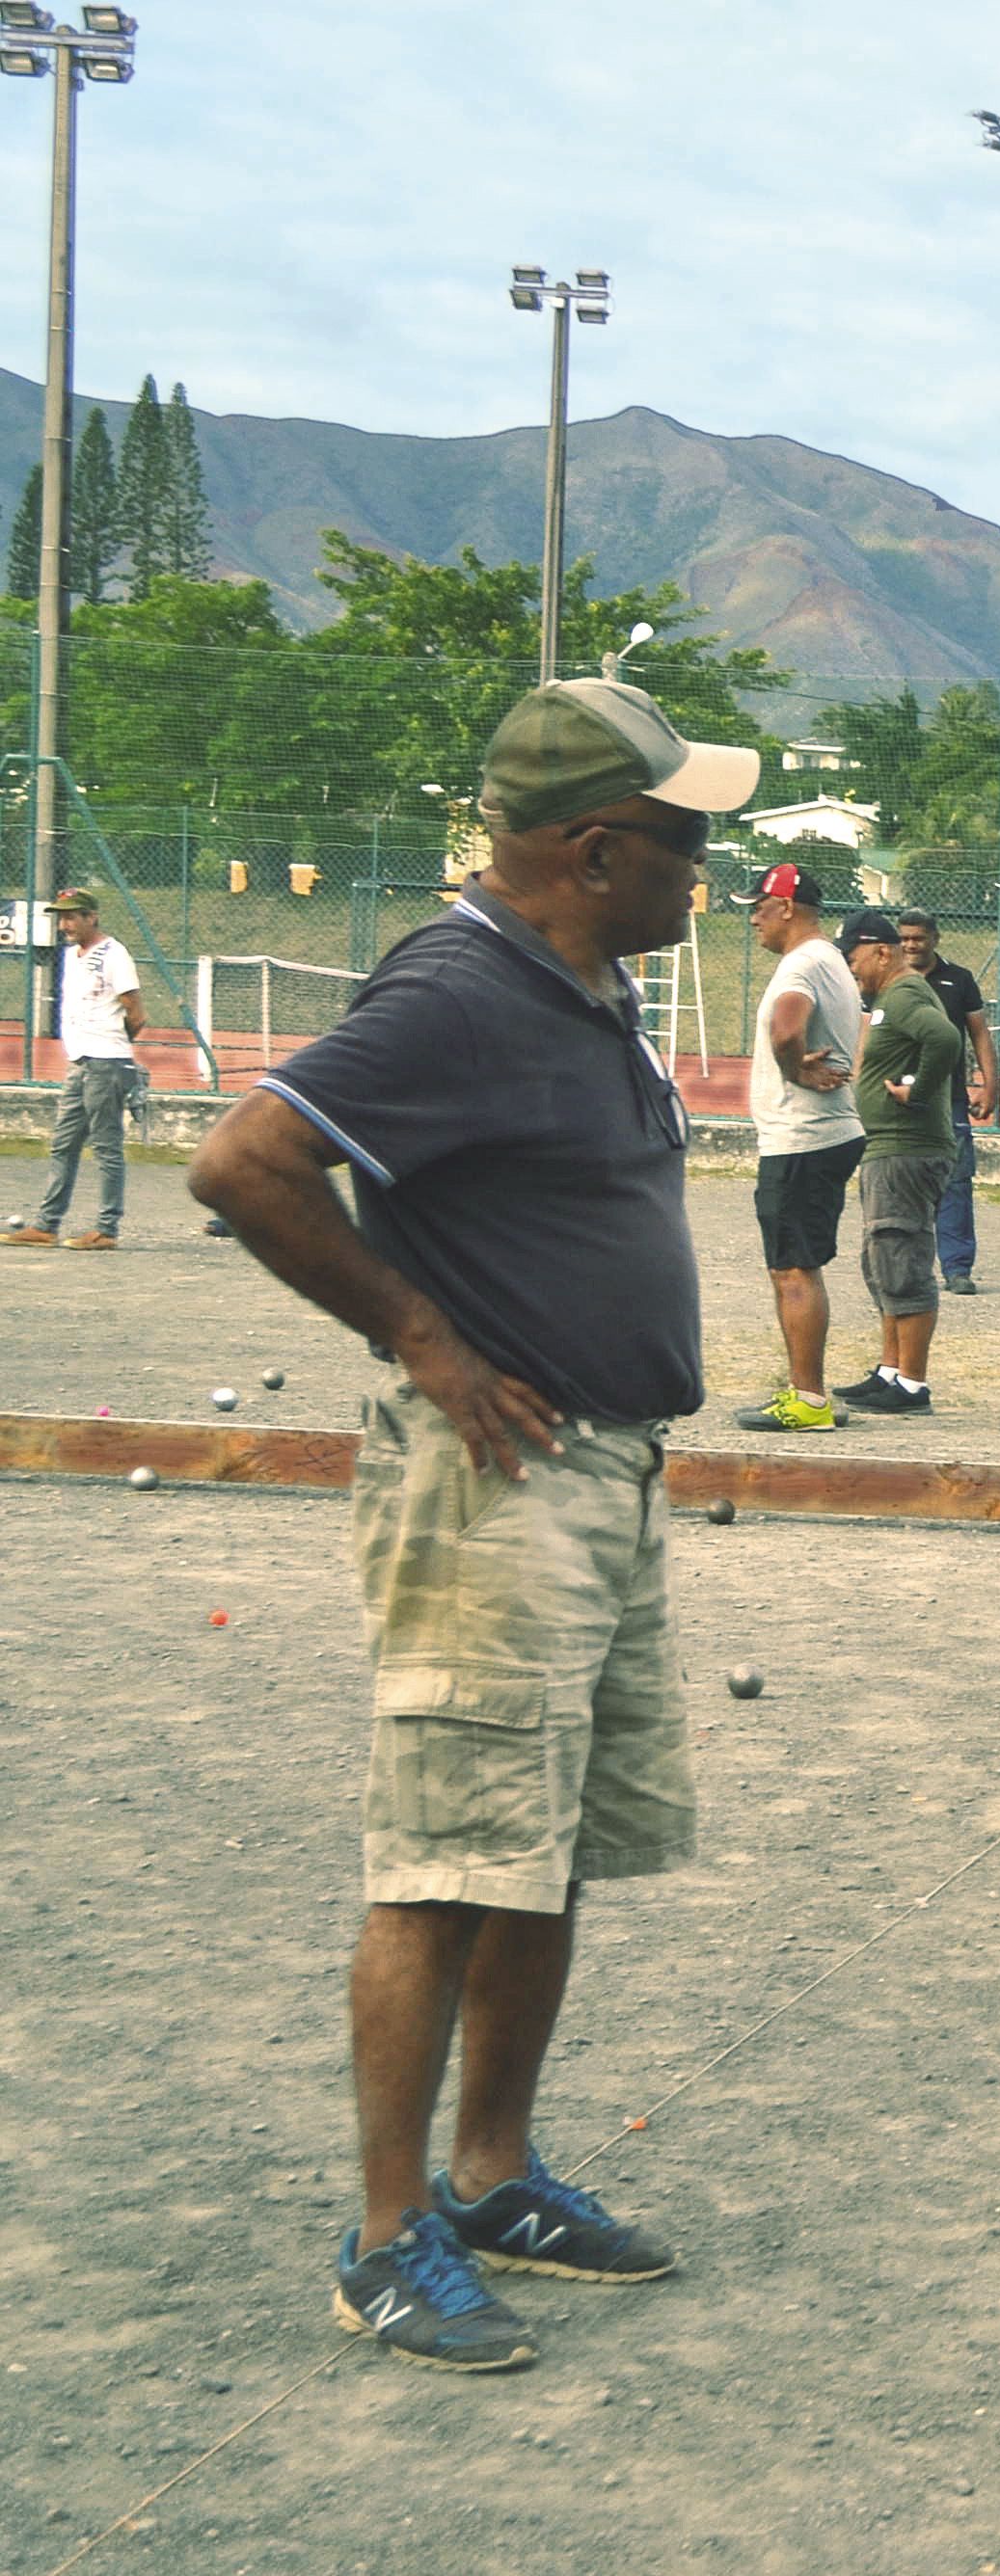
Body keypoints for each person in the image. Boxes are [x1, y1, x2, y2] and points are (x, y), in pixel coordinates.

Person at [183, 678, 757, 2370]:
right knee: (443, 1857)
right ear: (590, 849)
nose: (701, 871)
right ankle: (385, 2234)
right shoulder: (458, 990)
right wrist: (419, 1335)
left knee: (543, 1838)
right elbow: (243, 1164)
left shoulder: (573, 983)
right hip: (495, 1489)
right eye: (680, 840)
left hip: (598, 1477)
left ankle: (493, 2168)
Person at [734, 864, 862, 1432]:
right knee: (798, 1266)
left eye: (758, 905)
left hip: (802, 1137)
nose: (753, 918)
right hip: (822, 1134)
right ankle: (806, 1392)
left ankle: (807, 1400)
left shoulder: (802, 963)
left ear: (786, 906)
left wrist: (795, 1069)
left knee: (792, 1270)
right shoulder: (829, 957)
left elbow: (787, 1029)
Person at [839, 911, 960, 1417]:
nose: (852, 971)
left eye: (854, 959)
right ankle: (890, 1371)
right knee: (882, 1260)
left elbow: (947, 1039)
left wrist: (917, 1090)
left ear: (881, 952)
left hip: (907, 1148)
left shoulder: (906, 994)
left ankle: (912, 1384)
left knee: (902, 1256)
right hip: (889, 1147)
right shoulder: (891, 997)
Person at [11, 886, 144, 1248]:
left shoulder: (114, 954)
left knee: (106, 1146)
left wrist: (114, 1050)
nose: (65, 924)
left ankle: (107, 1228)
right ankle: (46, 1225)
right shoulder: (72, 956)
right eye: (62, 917)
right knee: (63, 1144)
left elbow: (136, 1012)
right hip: (79, 1061)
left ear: (92, 917)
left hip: (106, 1062)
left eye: (72, 916)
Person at [894, 907, 990, 1297]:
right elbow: (867, 1034)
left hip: (947, 1099)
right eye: (904, 938)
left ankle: (957, 1267)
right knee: (899, 1182)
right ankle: (906, 1267)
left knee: (955, 1182)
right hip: (896, 1099)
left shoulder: (959, 979)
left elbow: (980, 1034)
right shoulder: (888, 979)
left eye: (918, 938)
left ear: (935, 938)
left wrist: (990, 1084)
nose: (911, 945)